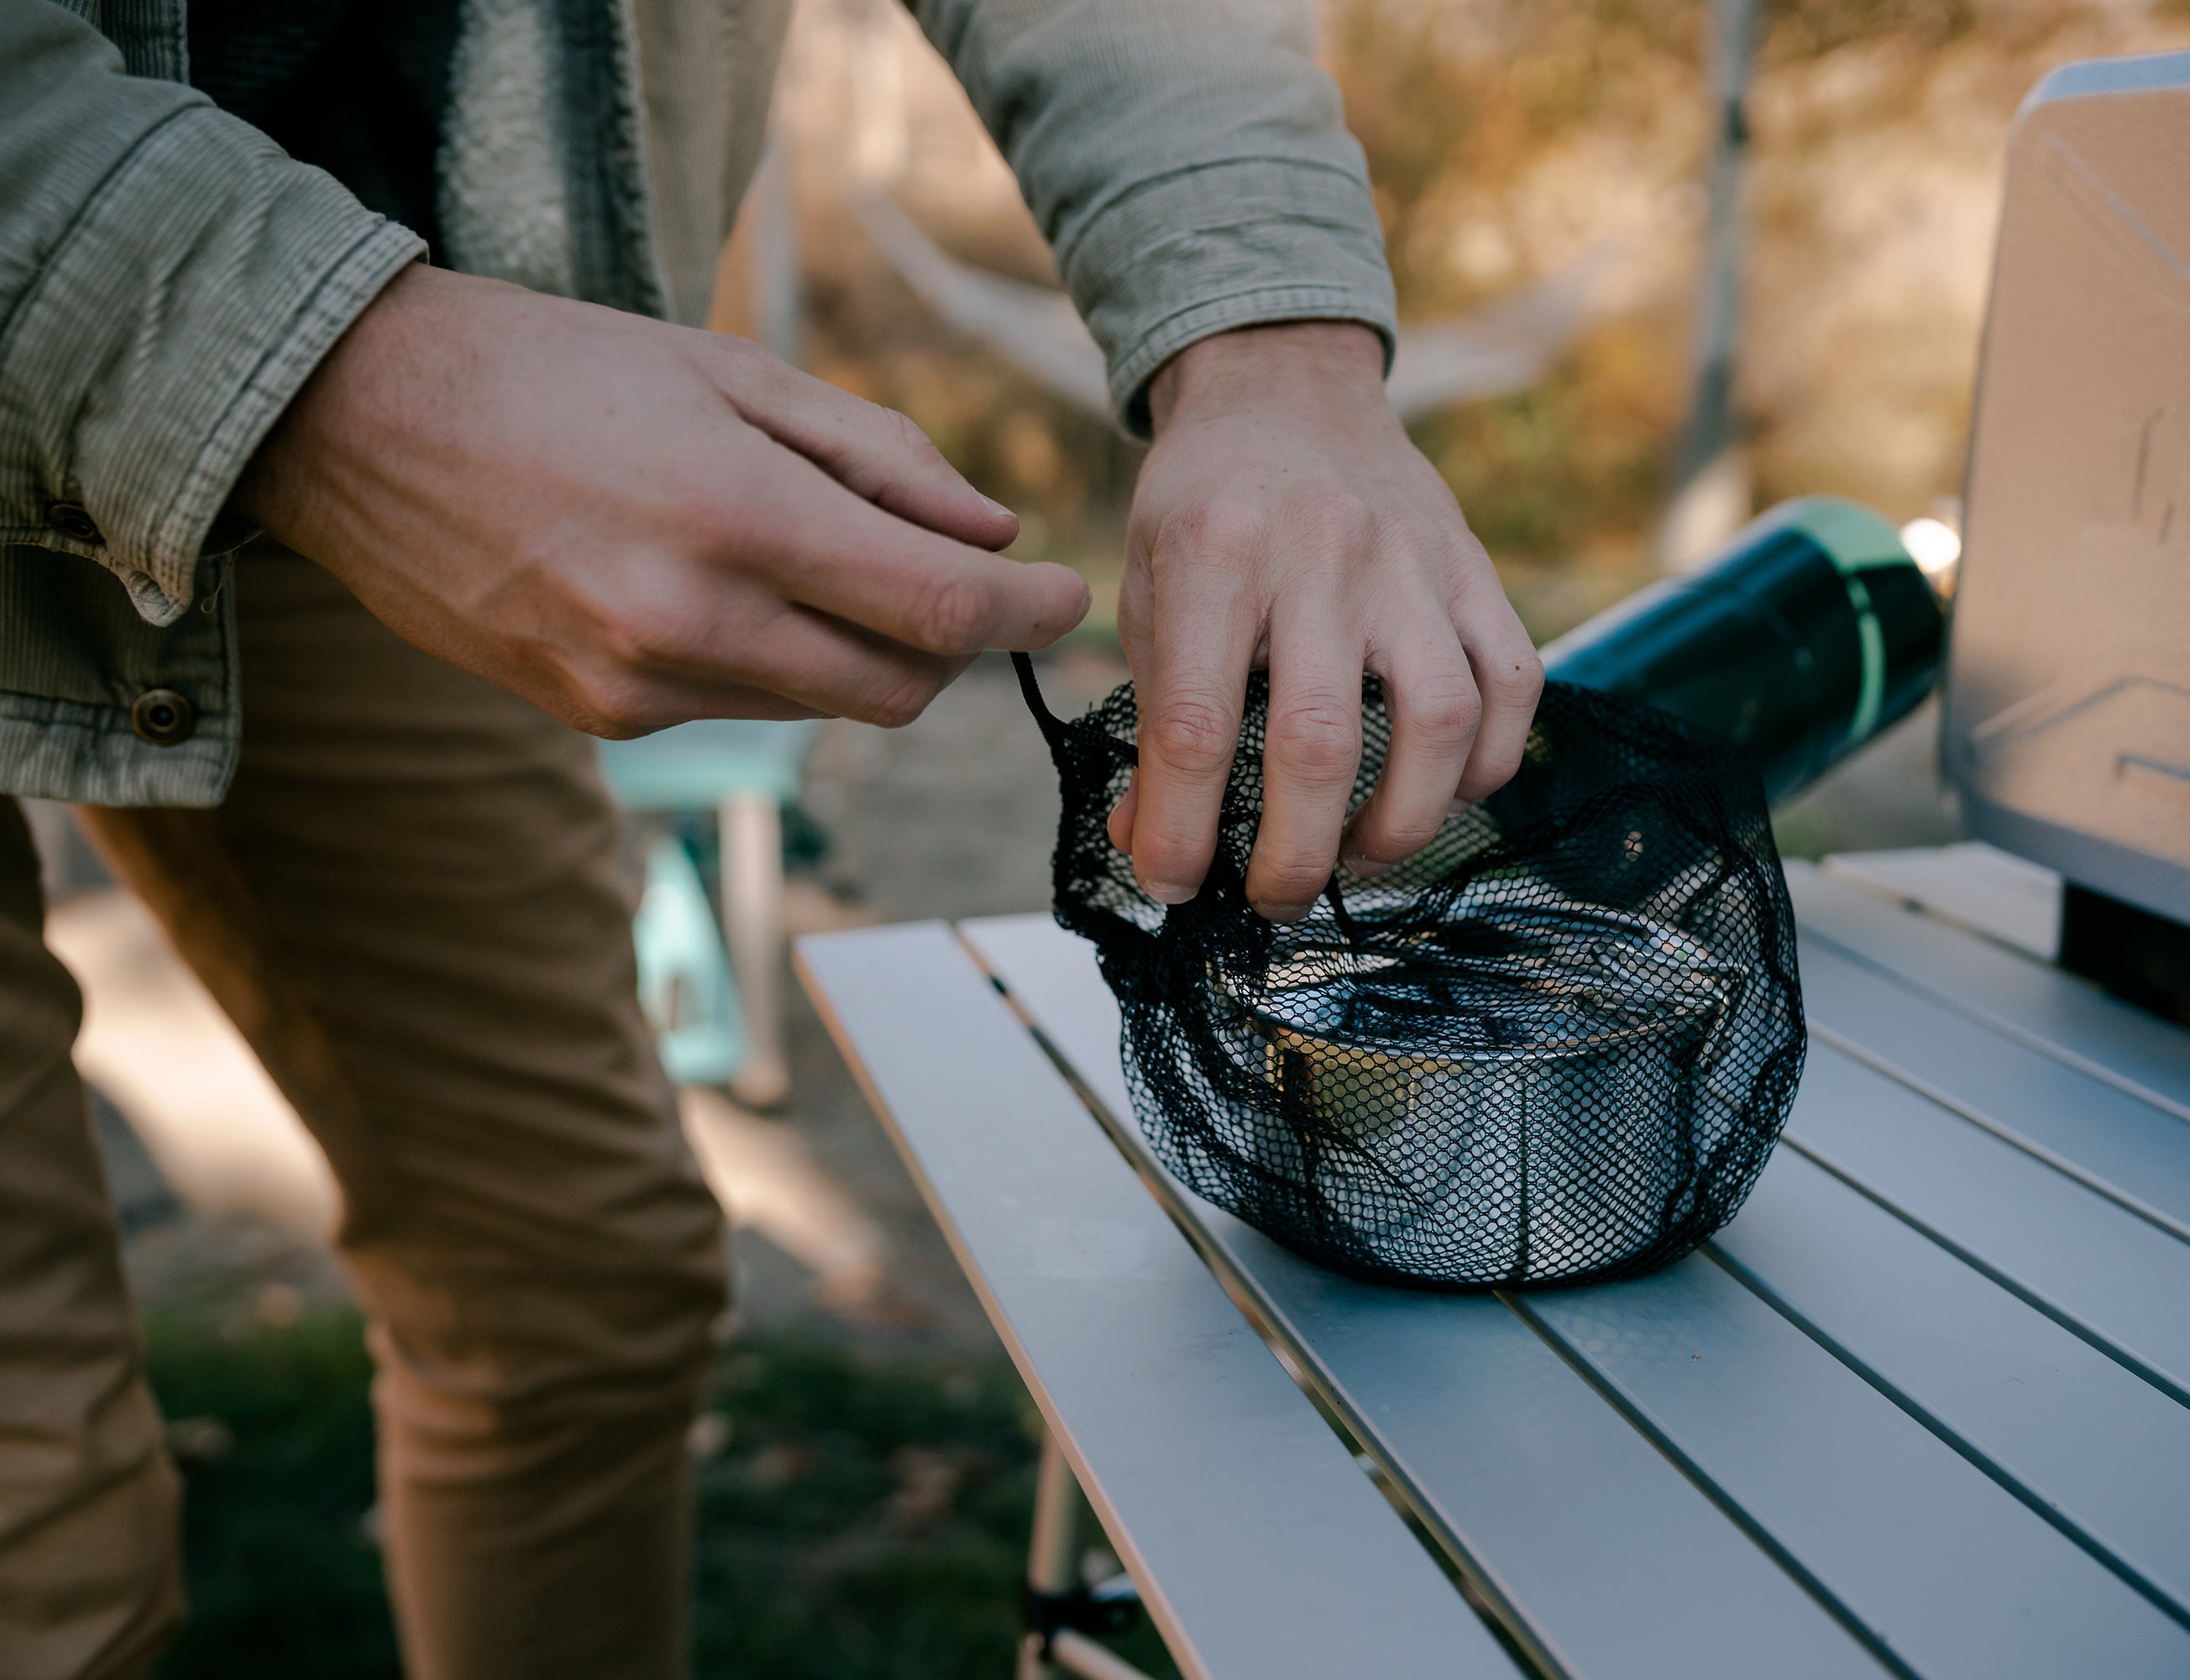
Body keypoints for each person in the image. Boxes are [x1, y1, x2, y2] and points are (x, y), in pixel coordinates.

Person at [0, 0, 1541, 1675]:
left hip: (400, 339)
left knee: (580, 1302)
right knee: (42, 1533)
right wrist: (301, 372)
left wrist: (1272, 340)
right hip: (231, 327)